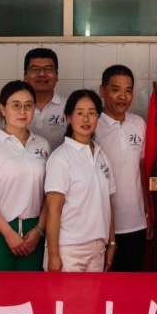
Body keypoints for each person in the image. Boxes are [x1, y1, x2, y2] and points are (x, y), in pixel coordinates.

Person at [0, 81, 50, 271]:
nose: (22, 111)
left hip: (33, 233)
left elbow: (50, 193)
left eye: (28, 105)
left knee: (29, 289)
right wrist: (8, 234)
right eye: (16, 105)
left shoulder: (42, 145)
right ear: (2, 109)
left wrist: (39, 229)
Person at [44, 89, 116, 272]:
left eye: (91, 113)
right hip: (69, 249)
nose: (86, 119)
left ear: (98, 117)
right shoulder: (61, 158)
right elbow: (53, 211)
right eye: (79, 113)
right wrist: (53, 255)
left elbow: (107, 202)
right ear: (69, 117)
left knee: (95, 293)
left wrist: (111, 241)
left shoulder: (102, 155)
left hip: (98, 247)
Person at [94, 65, 150, 272]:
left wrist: (147, 213)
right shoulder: (92, 125)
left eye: (128, 91)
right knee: (102, 285)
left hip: (136, 223)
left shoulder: (139, 124)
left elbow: (141, 170)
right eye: (116, 90)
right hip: (100, 225)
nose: (122, 97)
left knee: (131, 284)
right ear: (102, 91)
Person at [25, 48, 67, 150]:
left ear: (57, 75)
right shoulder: (13, 109)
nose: (42, 74)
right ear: (25, 76)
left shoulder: (69, 106)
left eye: (48, 69)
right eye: (35, 69)